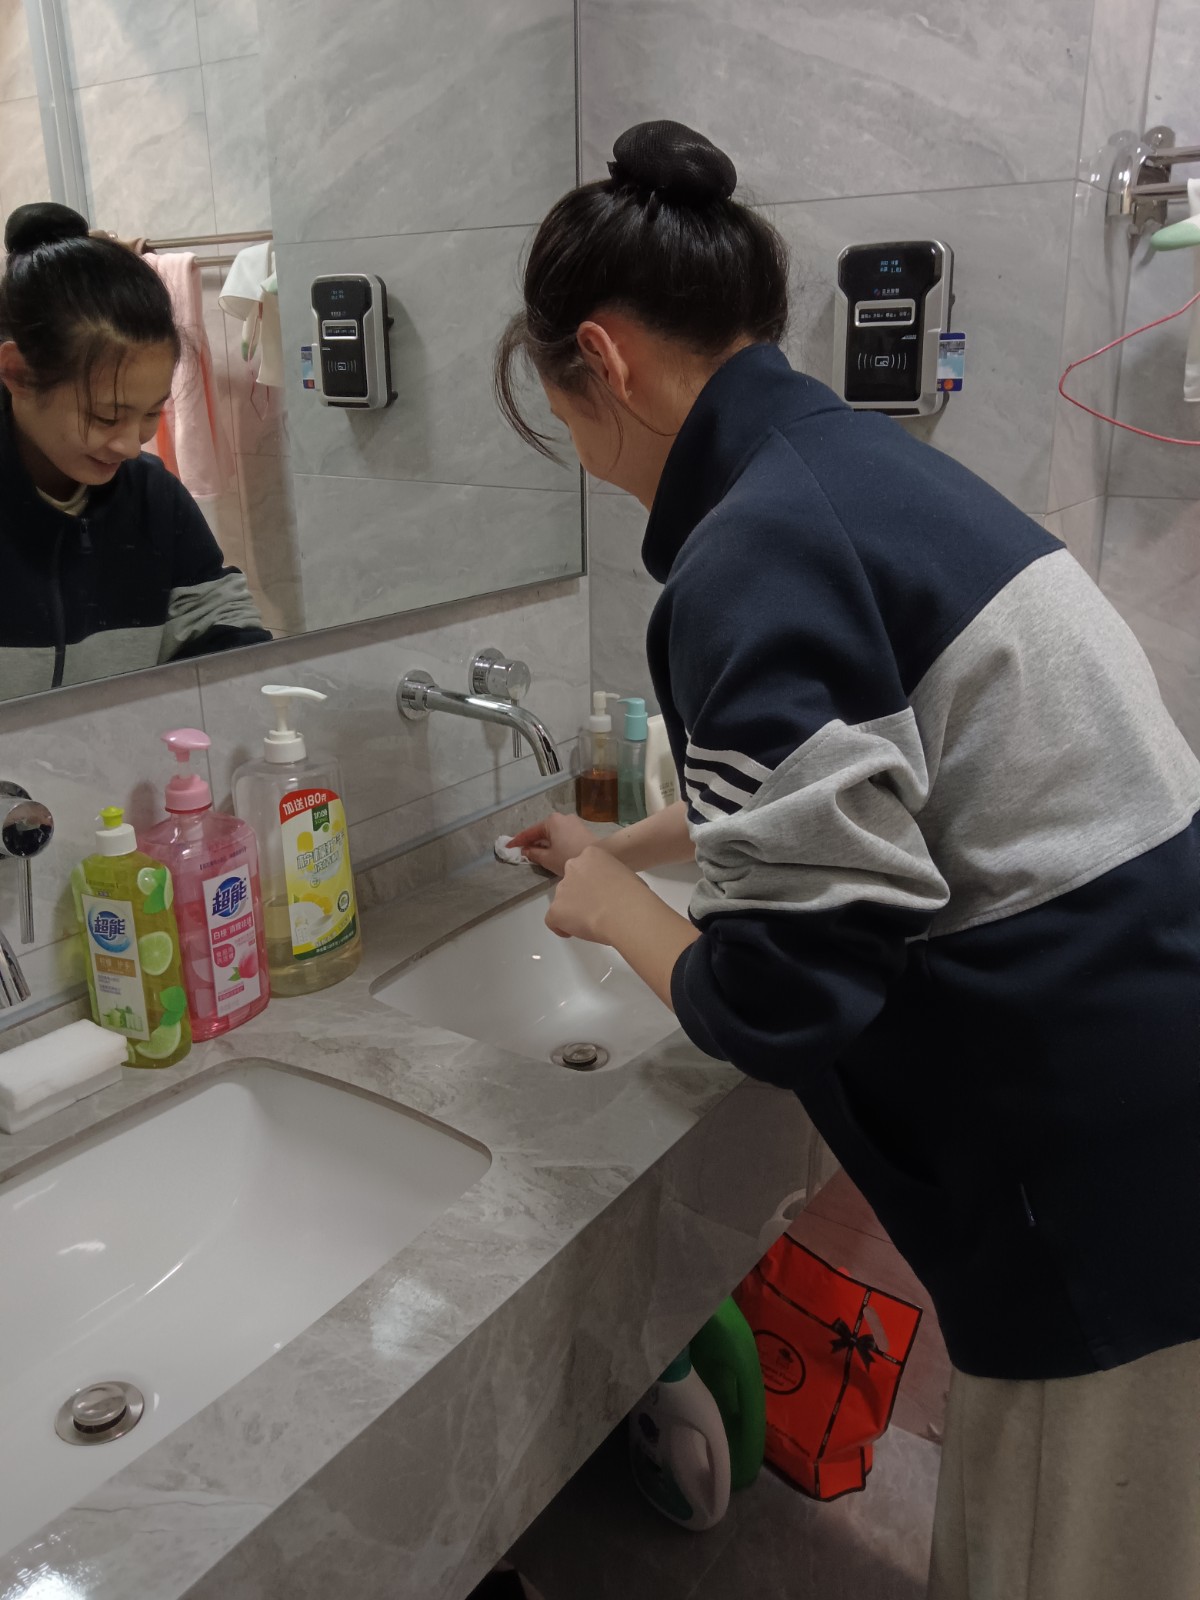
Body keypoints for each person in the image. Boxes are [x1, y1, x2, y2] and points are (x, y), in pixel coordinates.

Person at [499, 122, 1200, 1598]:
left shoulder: (751, 546)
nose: (587, 458)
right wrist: (632, 840)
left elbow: (789, 993)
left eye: (562, 412)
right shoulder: (848, 469)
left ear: (602, 362)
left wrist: (616, 907)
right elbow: (871, 774)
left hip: (1104, 1178)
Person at [0, 202, 270, 700]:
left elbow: (222, 626)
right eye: (106, 416)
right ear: (18, 374)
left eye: (151, 413)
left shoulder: (153, 498)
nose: (130, 446)